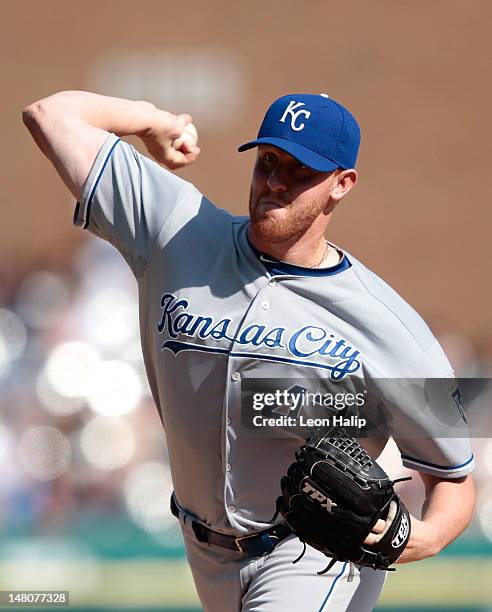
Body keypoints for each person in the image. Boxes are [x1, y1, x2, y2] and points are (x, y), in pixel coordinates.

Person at [23, 91, 476, 611]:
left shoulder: (393, 329)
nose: (275, 181)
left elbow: (456, 477)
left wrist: (425, 537)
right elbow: (49, 115)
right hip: (203, 550)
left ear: (341, 185)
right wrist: (153, 121)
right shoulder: (179, 231)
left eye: (301, 170)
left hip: (312, 554)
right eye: (268, 161)